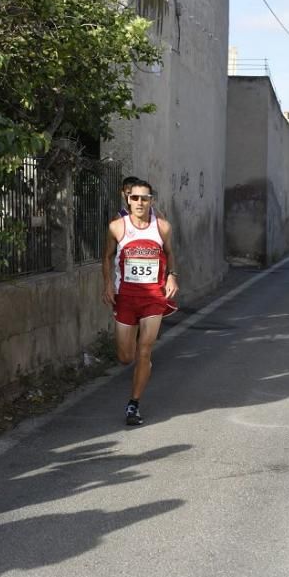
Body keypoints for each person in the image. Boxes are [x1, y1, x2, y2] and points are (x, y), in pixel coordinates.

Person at [102, 180, 179, 425]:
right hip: (126, 296)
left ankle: (133, 404)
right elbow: (107, 256)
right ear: (128, 199)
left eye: (144, 198)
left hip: (153, 298)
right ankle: (138, 357)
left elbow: (169, 253)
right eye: (135, 198)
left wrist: (172, 276)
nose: (139, 203)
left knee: (144, 350)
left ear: (151, 200)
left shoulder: (162, 227)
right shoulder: (116, 227)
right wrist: (106, 284)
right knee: (126, 356)